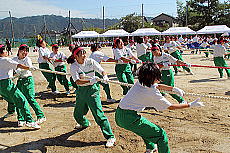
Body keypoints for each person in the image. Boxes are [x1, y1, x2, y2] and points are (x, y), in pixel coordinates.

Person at [115, 62, 204, 153]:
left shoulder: (141, 81)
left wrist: (173, 89)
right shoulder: (152, 93)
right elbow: (171, 106)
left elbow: (156, 85)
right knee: (161, 135)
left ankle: (150, 146)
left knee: (144, 130)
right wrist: (190, 105)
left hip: (120, 114)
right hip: (129, 118)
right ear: (153, 77)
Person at [67, 46, 116, 147]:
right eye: (82, 54)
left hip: (92, 91)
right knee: (77, 114)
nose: (84, 56)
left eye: (85, 53)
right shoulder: (74, 66)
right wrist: (90, 80)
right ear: (75, 56)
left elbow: (101, 70)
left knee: (98, 114)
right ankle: (85, 123)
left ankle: (110, 136)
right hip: (81, 91)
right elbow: (77, 82)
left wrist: (105, 76)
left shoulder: (91, 61)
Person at [0, 44, 40, 129]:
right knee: (22, 100)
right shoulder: (6, 60)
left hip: (1, 87)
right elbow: (19, 65)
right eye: (5, 50)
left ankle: (16, 116)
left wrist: (15, 74)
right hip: (6, 84)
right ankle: (29, 121)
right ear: (2, 52)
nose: (7, 52)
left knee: (12, 100)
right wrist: (29, 68)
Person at [7, 44, 46, 126]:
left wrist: (29, 68)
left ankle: (41, 116)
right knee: (18, 99)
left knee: (30, 98)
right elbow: (11, 70)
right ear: (19, 51)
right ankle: (21, 118)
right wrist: (14, 74)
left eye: (26, 51)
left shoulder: (27, 59)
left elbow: (27, 68)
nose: (25, 52)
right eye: (23, 50)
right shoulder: (14, 59)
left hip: (28, 80)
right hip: (20, 81)